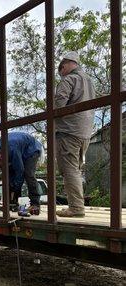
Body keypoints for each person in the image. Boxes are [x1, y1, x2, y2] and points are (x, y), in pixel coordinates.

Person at [55, 51, 95, 217]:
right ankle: (77, 205)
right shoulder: (89, 81)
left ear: (67, 64)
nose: (61, 73)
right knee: (76, 169)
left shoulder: (69, 79)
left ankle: (76, 208)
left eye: (61, 69)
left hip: (68, 131)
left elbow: (58, 104)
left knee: (69, 169)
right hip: (85, 132)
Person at [0, 131, 43, 215]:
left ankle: (35, 204)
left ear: (1, 157)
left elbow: (20, 171)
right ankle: (11, 203)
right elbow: (7, 173)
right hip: (18, 147)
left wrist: (15, 187)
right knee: (8, 174)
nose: (0, 166)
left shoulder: (12, 148)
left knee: (28, 174)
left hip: (31, 149)